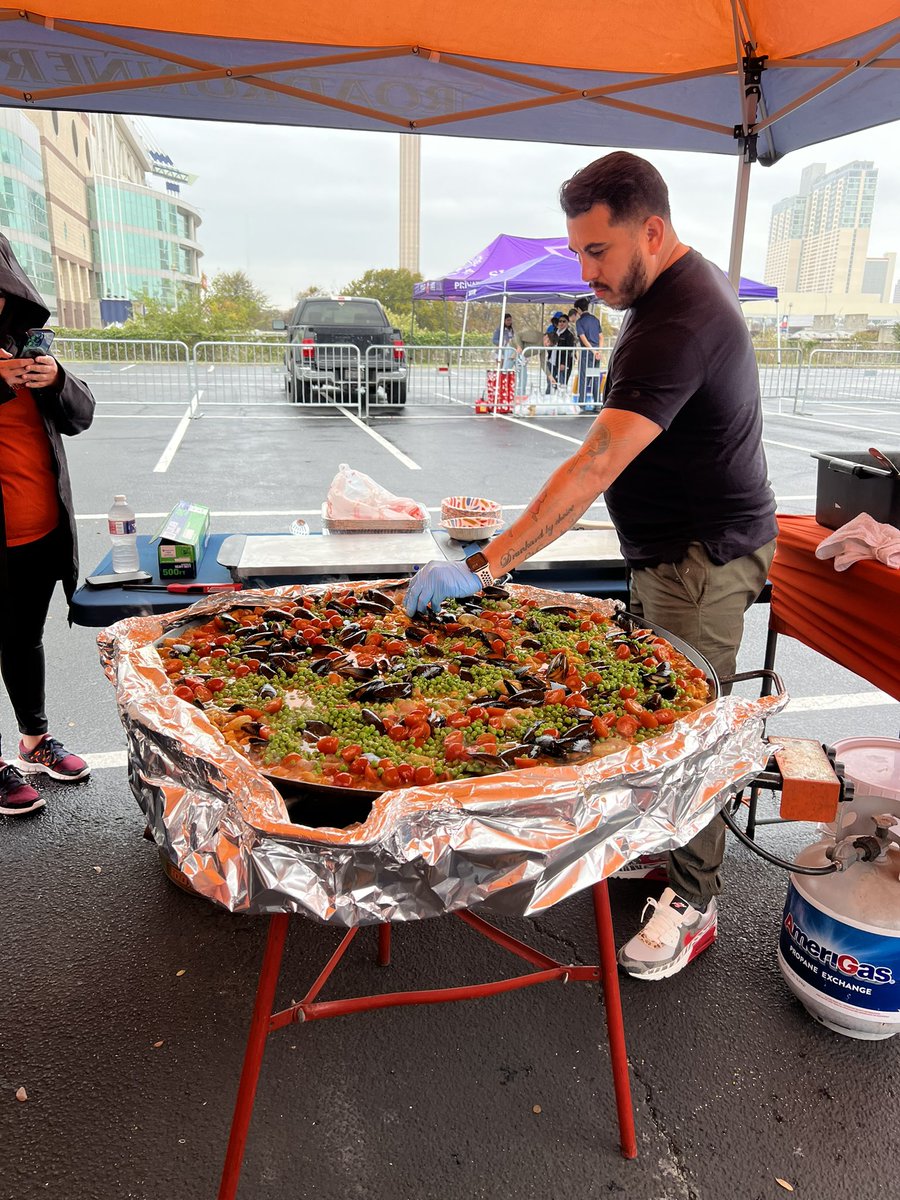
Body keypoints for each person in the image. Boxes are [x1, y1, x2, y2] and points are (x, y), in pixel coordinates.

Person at [404, 151, 777, 981]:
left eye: (597, 252)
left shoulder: (680, 319)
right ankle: (664, 844)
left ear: (651, 230)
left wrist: (486, 563)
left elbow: (590, 468)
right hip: (665, 553)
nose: (585, 271)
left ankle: (694, 900)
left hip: (701, 560)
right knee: (647, 709)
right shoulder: (663, 298)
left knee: (691, 736)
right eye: (576, 252)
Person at [0, 234, 95, 816]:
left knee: (23, 639)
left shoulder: (24, 346)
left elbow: (82, 415)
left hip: (38, 533)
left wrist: (55, 378)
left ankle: (34, 740)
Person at [573, 296, 603, 413]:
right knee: (595, 377)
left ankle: (582, 403)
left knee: (583, 377)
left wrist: (592, 351)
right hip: (596, 354)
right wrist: (599, 351)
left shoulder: (580, 322)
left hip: (587, 353)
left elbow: (583, 338)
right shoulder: (595, 320)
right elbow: (601, 337)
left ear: (579, 309)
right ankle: (597, 403)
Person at [553, 312, 576, 389]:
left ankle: (561, 398)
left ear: (567, 323)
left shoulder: (569, 335)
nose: (561, 323)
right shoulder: (554, 333)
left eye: (564, 321)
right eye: (560, 321)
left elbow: (569, 351)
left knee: (562, 383)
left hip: (563, 363)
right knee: (553, 383)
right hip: (553, 361)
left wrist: (563, 363)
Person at [542, 330, 560, 394]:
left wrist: (550, 377)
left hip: (556, 363)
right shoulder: (536, 337)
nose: (547, 344)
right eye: (548, 341)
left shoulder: (543, 348)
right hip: (515, 351)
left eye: (550, 345)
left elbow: (542, 362)